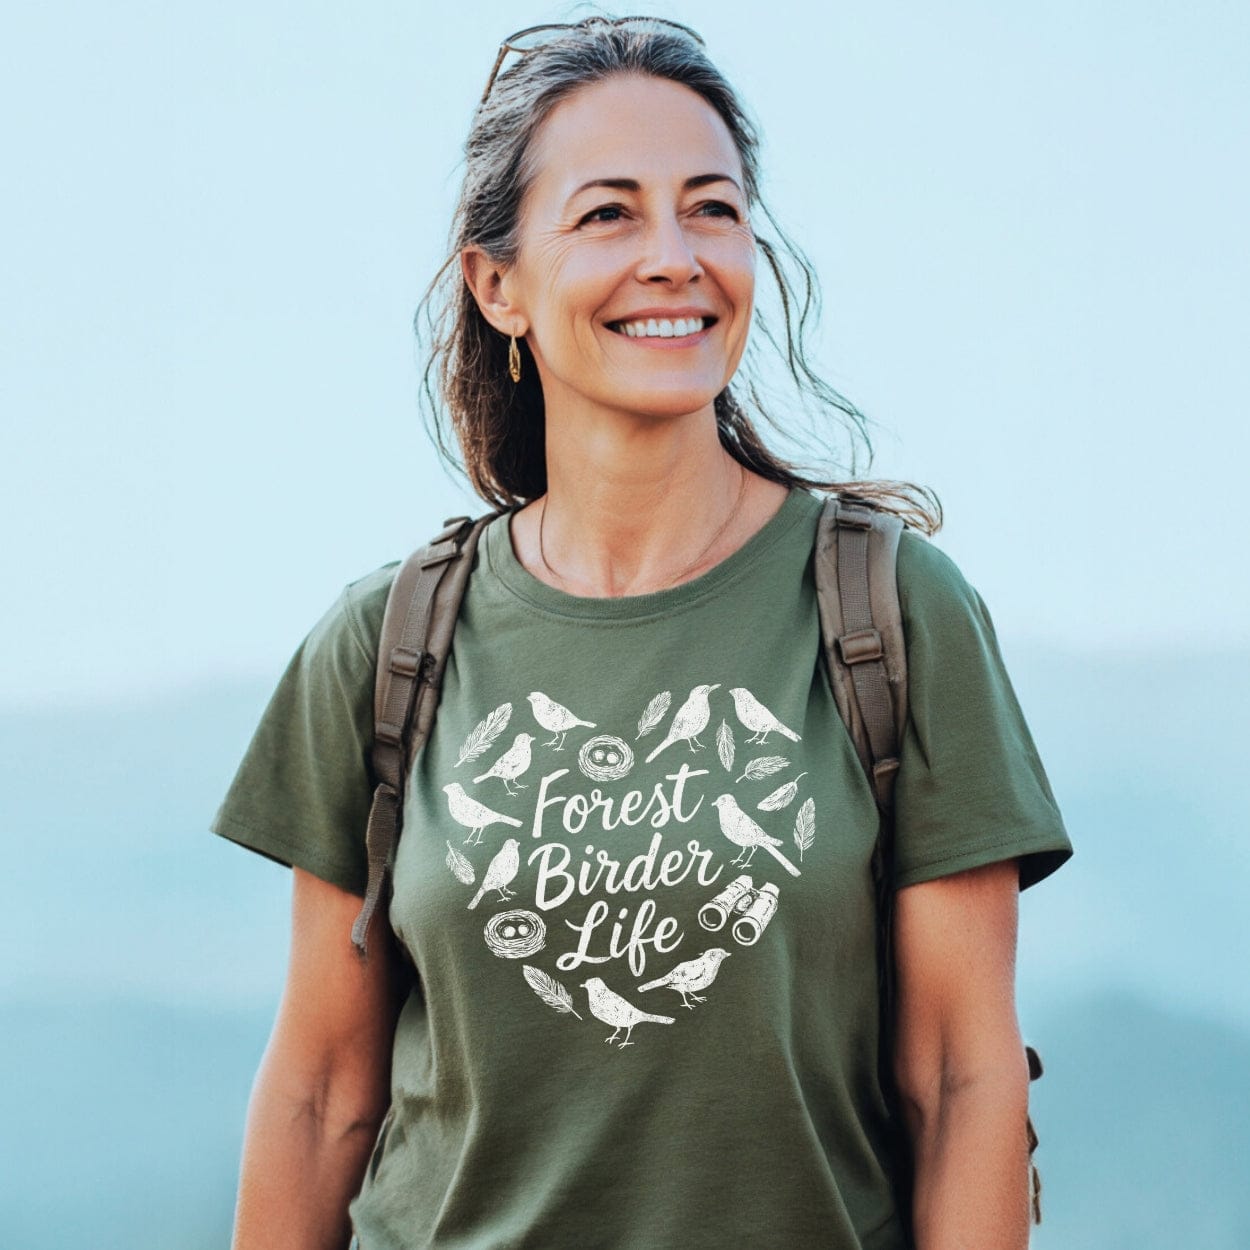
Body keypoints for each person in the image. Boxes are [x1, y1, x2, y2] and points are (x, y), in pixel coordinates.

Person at [210, 15, 1072, 1250]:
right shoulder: (386, 643)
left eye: (711, 209)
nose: (672, 256)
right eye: (608, 214)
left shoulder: (891, 613)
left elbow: (960, 1078)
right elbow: (318, 1094)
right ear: (495, 284)